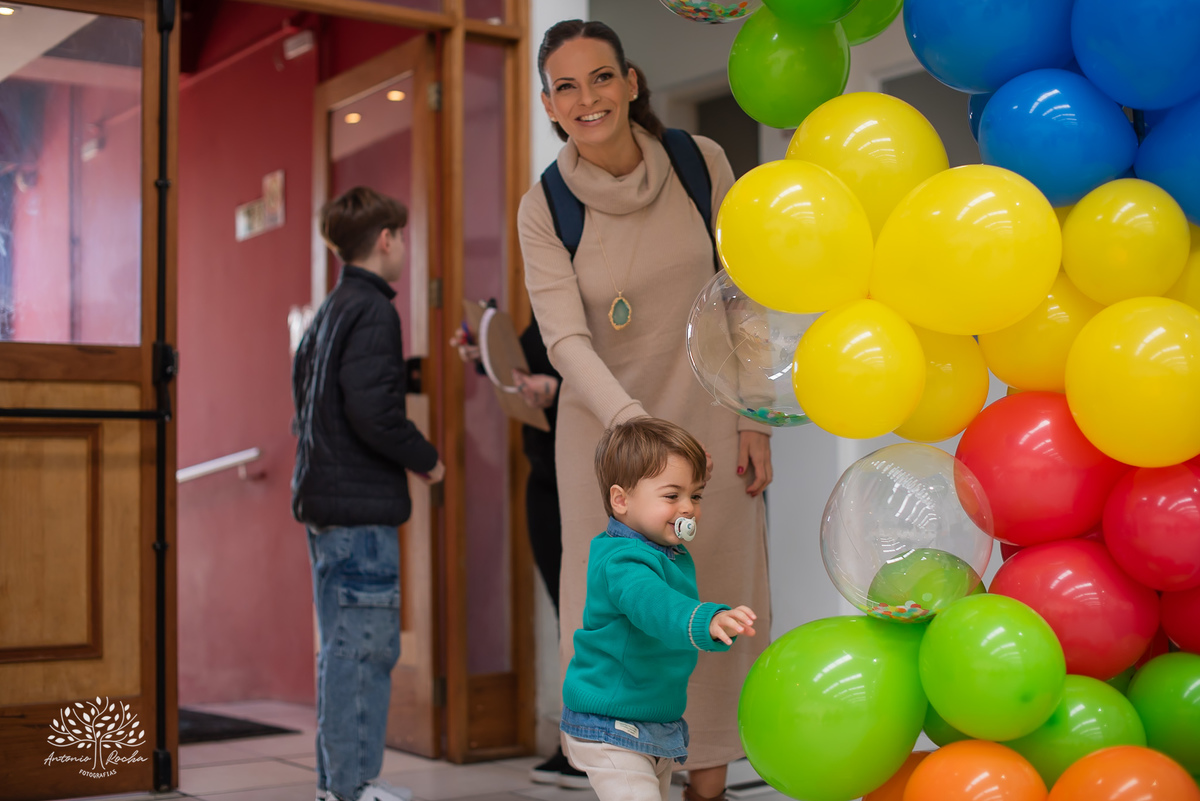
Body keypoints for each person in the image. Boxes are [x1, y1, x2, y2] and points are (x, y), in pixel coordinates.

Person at [519, 19, 774, 801]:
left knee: (716, 602)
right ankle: (627, 778)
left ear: (630, 84)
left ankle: (707, 786)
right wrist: (634, 425)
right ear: (549, 106)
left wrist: (755, 416)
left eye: (601, 77)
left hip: (711, 434)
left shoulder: (702, 164)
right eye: (567, 87)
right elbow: (562, 339)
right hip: (610, 451)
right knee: (620, 616)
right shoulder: (546, 206)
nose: (587, 98)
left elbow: (746, 294)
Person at [292, 186, 445, 801]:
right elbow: (374, 412)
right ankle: (354, 790)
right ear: (385, 240)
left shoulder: (328, 311)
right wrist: (426, 459)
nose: (403, 247)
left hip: (328, 508)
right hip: (360, 514)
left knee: (341, 651)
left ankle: (338, 786)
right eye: (402, 237)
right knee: (364, 650)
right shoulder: (376, 311)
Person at [561, 418, 758, 801]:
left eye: (696, 496)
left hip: (653, 720)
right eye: (672, 496)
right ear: (621, 500)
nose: (688, 509)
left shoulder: (665, 553)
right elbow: (654, 605)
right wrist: (707, 619)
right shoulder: (623, 562)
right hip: (612, 723)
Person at [450, 314, 589, 788]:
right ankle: (576, 743)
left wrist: (558, 390)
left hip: (584, 472)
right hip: (543, 474)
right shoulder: (541, 308)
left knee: (592, 613)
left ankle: (596, 745)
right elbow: (524, 373)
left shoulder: (594, 291)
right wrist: (486, 360)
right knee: (564, 612)